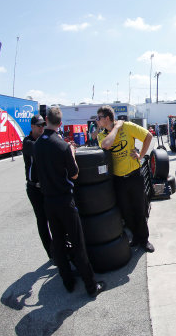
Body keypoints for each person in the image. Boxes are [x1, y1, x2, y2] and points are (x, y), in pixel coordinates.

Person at [33, 106, 105, 296]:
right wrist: (72, 153)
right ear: (61, 123)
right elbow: (74, 174)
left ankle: (68, 281)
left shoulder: (37, 144)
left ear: (46, 121)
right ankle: (91, 286)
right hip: (65, 201)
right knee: (78, 244)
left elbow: (34, 176)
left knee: (58, 242)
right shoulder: (63, 146)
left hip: (48, 201)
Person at [96, 105, 155, 253]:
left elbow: (148, 136)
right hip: (118, 180)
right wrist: (116, 128)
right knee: (126, 211)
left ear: (107, 118)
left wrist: (141, 156)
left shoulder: (127, 127)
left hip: (134, 175)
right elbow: (106, 145)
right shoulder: (102, 135)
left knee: (139, 208)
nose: (97, 121)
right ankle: (135, 237)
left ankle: (144, 239)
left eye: (99, 118)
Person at [22, 114, 52, 259]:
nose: (42, 128)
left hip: (47, 187)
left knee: (53, 217)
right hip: (34, 188)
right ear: (32, 127)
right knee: (42, 220)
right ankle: (50, 252)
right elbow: (40, 150)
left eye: (43, 125)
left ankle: (59, 247)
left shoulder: (43, 140)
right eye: (39, 126)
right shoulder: (28, 142)